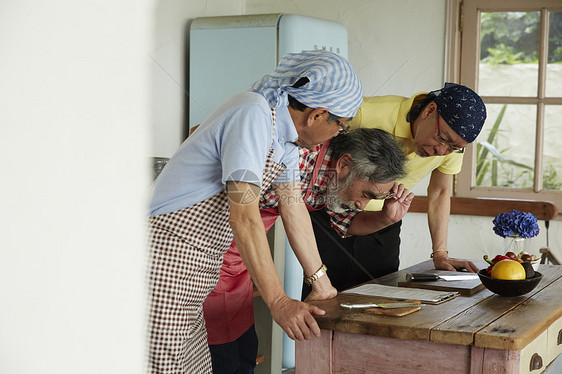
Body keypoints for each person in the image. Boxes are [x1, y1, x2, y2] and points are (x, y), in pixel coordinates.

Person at [146, 50, 363, 374]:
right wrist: (279, 302)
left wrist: (323, 284)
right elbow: (244, 215)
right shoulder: (253, 114)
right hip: (164, 261)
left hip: (198, 270)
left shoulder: (288, 143)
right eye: (341, 126)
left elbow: (294, 209)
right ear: (318, 115)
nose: (337, 136)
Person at [203, 128, 413, 373]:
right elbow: (252, 218)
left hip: (240, 266)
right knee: (222, 359)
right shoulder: (298, 155)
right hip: (208, 256)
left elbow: (344, 223)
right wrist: (294, 294)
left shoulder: (334, 175)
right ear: (345, 163)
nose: (362, 204)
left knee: (244, 354)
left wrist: (385, 219)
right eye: (366, 194)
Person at [304, 82, 487, 297]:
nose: (442, 151)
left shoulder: (450, 147)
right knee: (321, 301)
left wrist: (440, 253)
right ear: (429, 111)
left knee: (381, 300)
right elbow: (316, 155)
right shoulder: (364, 113)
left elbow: (439, 193)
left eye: (455, 148)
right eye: (442, 139)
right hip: (329, 214)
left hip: (384, 222)